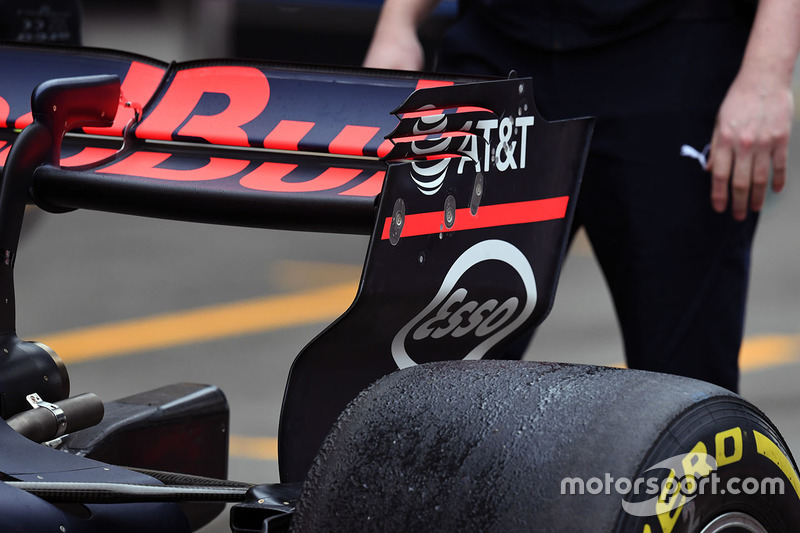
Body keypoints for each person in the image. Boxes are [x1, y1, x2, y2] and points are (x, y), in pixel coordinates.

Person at [364, 0, 800, 392]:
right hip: (499, 54)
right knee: (432, 380)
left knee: (685, 386)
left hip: (675, 53)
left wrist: (769, 69)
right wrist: (397, 25)